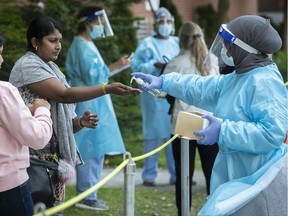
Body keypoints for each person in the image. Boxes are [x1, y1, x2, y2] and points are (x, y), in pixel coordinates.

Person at [132, 15, 288, 215]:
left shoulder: (263, 82)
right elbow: (203, 88)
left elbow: (271, 133)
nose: (224, 50)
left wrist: (224, 130)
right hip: (240, 173)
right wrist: (165, 82)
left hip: (259, 177)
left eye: (227, 45)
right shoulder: (239, 77)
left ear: (244, 49)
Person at [8, 16, 140, 214]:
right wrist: (106, 88)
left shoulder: (50, 67)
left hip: (50, 159)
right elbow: (64, 95)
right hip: (31, 158)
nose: (58, 46)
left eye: (60, 40)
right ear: (35, 42)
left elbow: (59, 122)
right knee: (37, 210)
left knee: (53, 210)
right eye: (52, 40)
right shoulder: (28, 65)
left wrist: (79, 122)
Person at [65, 6, 130, 211]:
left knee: (96, 149)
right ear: (88, 23)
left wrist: (117, 66)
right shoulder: (82, 46)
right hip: (89, 103)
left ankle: (89, 194)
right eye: (99, 22)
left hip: (95, 101)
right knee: (90, 150)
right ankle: (86, 195)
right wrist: (115, 66)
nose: (101, 26)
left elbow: (96, 75)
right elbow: (93, 77)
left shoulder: (87, 44)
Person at [162, 21, 219, 215]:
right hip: (209, 121)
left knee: (183, 173)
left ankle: (183, 212)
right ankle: (215, 211)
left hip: (184, 121)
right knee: (213, 173)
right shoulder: (212, 60)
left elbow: (162, 91)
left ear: (181, 39)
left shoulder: (175, 63)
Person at [0, 34, 53, 216]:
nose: (2, 59)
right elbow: (37, 137)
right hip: (8, 185)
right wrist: (42, 109)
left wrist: (22, 110)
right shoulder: (4, 91)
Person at [131, 7, 179, 186]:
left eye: (167, 21)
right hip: (152, 96)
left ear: (171, 23)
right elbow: (136, 67)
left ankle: (177, 175)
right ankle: (149, 176)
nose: (164, 25)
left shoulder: (177, 42)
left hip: (172, 93)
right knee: (152, 134)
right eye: (161, 21)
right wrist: (154, 65)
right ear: (155, 24)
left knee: (173, 133)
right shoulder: (146, 44)